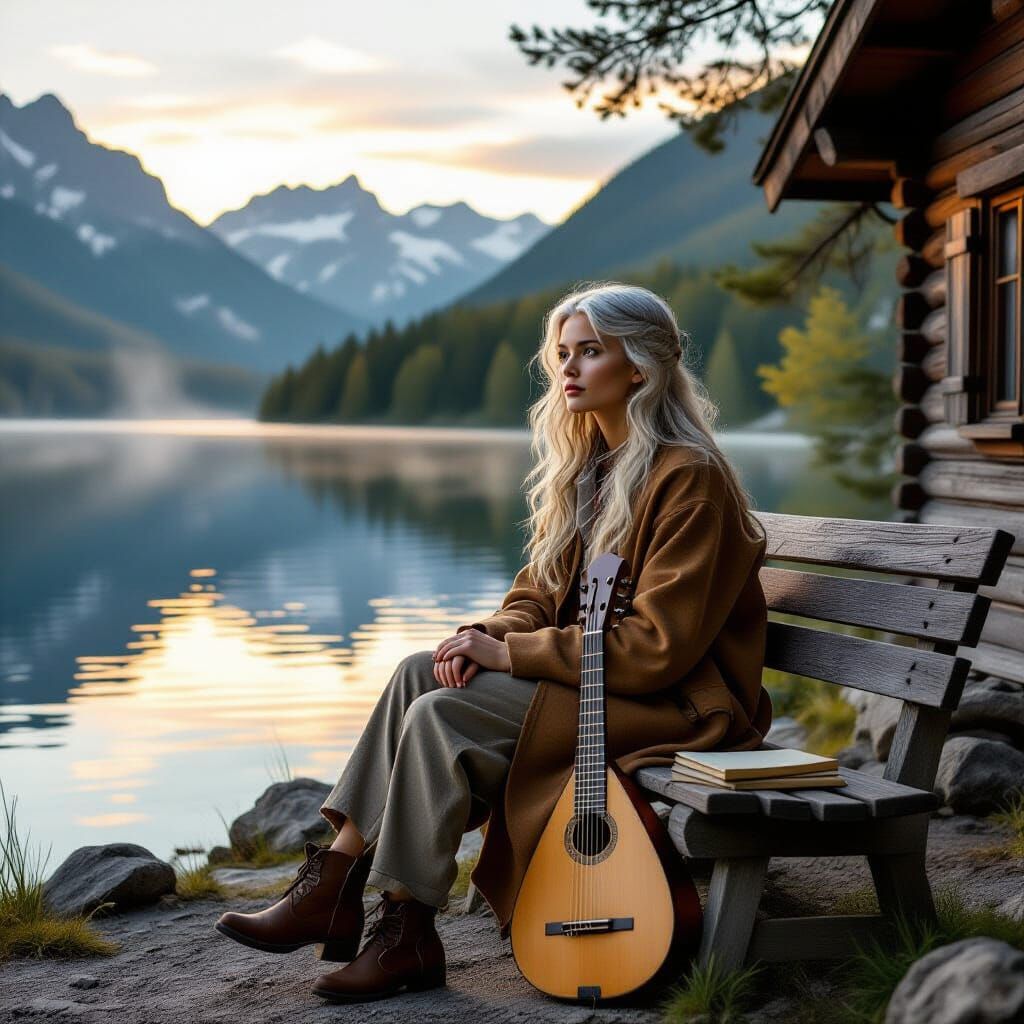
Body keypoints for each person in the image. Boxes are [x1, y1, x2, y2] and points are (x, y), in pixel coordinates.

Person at [214, 280, 772, 1003]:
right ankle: (339, 879)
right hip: (607, 682)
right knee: (423, 672)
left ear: (639, 367)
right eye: (563, 354)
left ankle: (405, 924)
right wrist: (481, 635)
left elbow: (655, 649)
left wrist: (510, 656)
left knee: (443, 717)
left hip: (675, 704)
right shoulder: (591, 471)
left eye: (590, 353)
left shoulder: (687, 480)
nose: (568, 369)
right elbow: (536, 598)